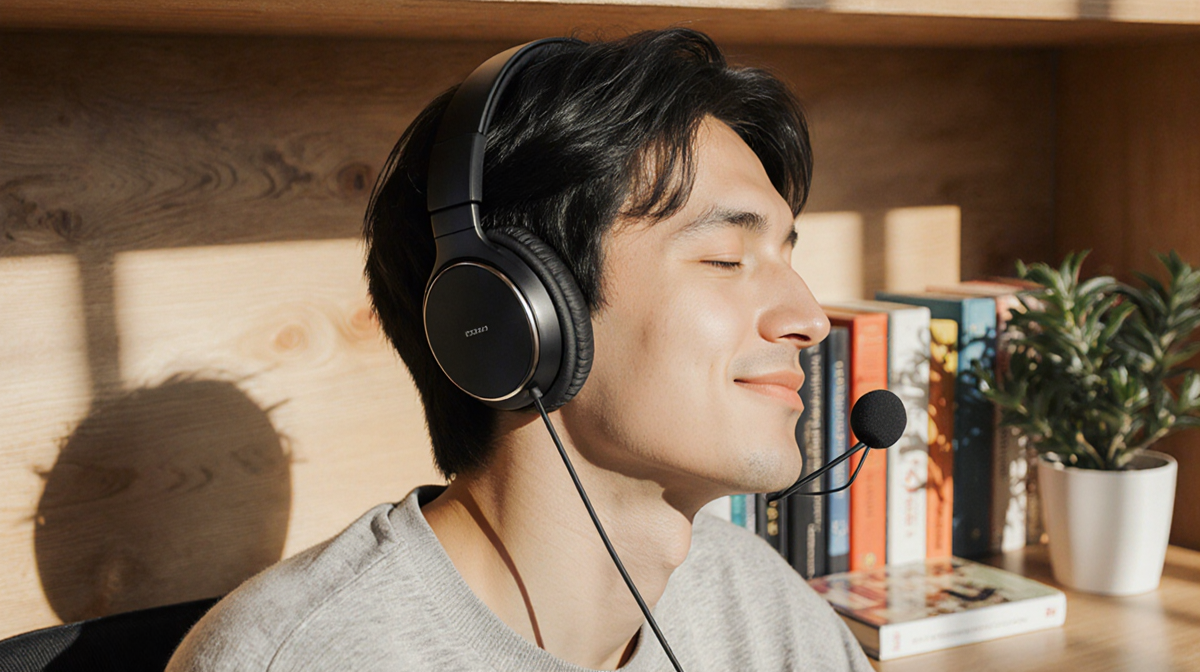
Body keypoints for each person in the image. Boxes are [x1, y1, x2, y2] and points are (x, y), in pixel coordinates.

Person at [167, 28, 872, 672]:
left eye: (786, 257)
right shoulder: (295, 659)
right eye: (725, 258)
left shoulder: (761, 607)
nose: (809, 319)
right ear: (509, 312)